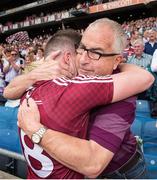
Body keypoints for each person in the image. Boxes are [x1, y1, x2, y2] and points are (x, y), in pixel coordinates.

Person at [4, 19, 154, 179]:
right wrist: (33, 75)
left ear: (117, 60)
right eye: (82, 49)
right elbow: (8, 92)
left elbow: (93, 164)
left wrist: (35, 129)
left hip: (119, 172)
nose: (83, 60)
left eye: (96, 53)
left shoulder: (123, 90)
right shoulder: (71, 74)